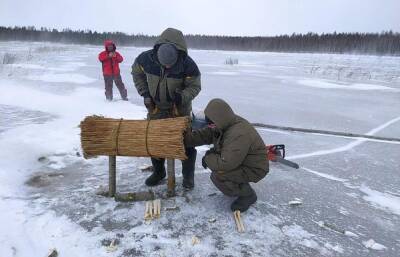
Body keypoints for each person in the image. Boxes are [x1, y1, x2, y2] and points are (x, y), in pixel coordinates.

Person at [131, 28, 201, 189]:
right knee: (155, 141)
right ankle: (159, 172)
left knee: (186, 143)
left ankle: (188, 177)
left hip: (179, 110)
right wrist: (145, 93)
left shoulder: (188, 64)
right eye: (165, 64)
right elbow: (136, 73)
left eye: (171, 64)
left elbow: (195, 86)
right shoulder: (145, 59)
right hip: (156, 108)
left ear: (178, 54)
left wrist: (182, 97)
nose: (168, 66)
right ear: (157, 55)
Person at [185, 99, 269, 212]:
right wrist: (183, 140)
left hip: (255, 168)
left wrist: (207, 158)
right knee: (220, 168)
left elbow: (225, 163)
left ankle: (248, 195)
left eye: (211, 125)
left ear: (218, 120)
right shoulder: (224, 123)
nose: (210, 127)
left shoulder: (238, 133)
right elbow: (206, 134)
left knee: (219, 175)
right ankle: (239, 181)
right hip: (242, 161)